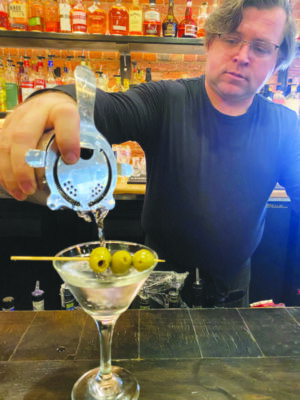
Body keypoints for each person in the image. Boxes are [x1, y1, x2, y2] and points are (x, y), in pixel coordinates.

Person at [0, 0, 299, 307]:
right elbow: (107, 109)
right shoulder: (165, 100)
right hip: (156, 279)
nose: (242, 56)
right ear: (210, 43)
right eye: (232, 39)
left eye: (261, 47)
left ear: (277, 62)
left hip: (233, 289)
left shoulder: (286, 127)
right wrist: (54, 101)